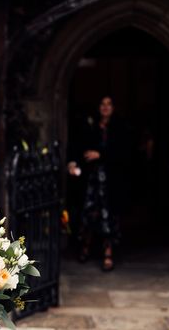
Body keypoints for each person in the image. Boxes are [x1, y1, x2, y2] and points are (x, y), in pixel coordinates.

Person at [67, 95, 127, 272]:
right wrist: (73, 162)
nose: (105, 107)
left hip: (110, 181)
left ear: (114, 107)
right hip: (91, 180)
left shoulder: (119, 127)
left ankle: (108, 253)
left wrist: (101, 154)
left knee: (108, 216)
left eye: (109, 104)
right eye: (102, 104)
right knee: (88, 214)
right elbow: (78, 146)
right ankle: (85, 247)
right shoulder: (90, 125)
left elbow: (124, 152)